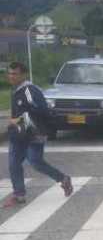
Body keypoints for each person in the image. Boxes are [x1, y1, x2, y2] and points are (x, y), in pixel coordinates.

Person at [4, 61, 73, 207]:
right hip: (18, 134)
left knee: (36, 162)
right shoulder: (15, 89)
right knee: (13, 164)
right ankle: (19, 194)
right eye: (9, 73)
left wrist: (20, 119)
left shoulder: (30, 90)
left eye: (14, 74)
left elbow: (41, 110)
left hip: (34, 133)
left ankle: (63, 178)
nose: (11, 76)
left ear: (23, 74)